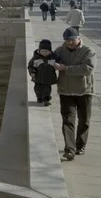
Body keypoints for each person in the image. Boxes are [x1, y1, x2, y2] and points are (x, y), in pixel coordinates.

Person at [54, 27, 95, 161]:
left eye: (72, 40)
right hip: (65, 91)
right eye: (67, 40)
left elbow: (88, 68)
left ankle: (80, 145)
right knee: (68, 121)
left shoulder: (88, 51)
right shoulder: (60, 51)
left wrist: (66, 69)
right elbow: (49, 59)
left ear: (78, 38)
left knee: (84, 120)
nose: (69, 43)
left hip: (84, 91)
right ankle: (69, 149)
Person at [28, 39, 58, 106]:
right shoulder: (36, 59)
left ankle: (46, 99)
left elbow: (59, 63)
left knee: (47, 89)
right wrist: (32, 72)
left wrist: (59, 65)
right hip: (38, 77)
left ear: (50, 51)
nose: (44, 53)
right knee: (38, 89)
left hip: (48, 78)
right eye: (42, 51)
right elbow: (30, 66)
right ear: (39, 51)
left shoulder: (53, 58)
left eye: (46, 51)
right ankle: (39, 97)